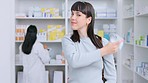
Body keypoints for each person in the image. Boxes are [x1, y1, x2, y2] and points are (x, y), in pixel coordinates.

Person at [62, 1, 120, 83]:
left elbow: (111, 76)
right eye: (72, 14)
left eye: (78, 15)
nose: (73, 17)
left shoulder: (102, 42)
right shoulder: (68, 40)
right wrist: (103, 51)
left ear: (88, 20)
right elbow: (74, 61)